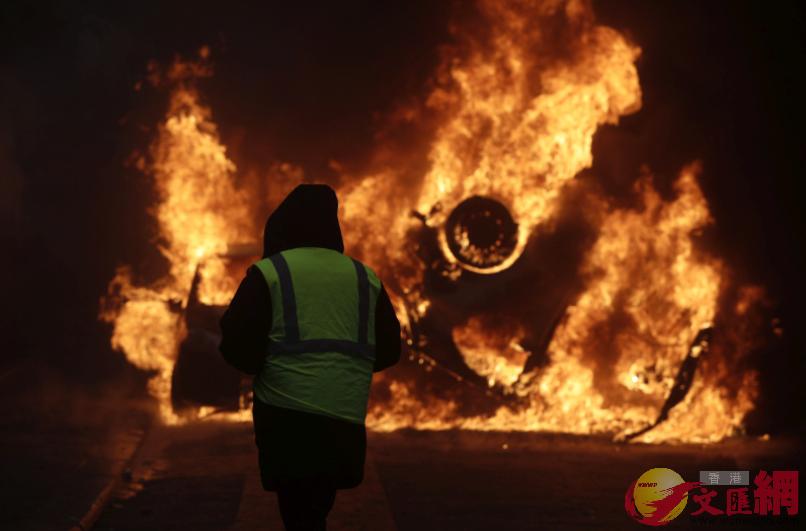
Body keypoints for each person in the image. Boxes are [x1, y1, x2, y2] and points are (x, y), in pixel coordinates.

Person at [219, 184, 401, 531]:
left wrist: (264, 367)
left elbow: (237, 344)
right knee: (317, 506)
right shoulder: (365, 277)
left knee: (299, 511)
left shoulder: (270, 273)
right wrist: (344, 368)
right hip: (344, 416)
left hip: (286, 418)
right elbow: (390, 350)